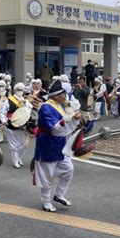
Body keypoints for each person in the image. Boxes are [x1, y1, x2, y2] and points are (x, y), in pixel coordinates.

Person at [32, 80, 82, 212]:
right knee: (47, 175)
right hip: (47, 144)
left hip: (60, 144)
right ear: (56, 96)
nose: (65, 97)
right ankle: (46, 202)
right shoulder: (46, 107)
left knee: (68, 169)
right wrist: (70, 118)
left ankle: (59, 195)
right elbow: (53, 128)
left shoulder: (59, 106)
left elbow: (64, 126)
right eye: (63, 94)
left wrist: (75, 118)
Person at [0, 82, 32, 169]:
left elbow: (31, 108)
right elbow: (2, 112)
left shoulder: (25, 100)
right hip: (12, 125)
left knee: (24, 144)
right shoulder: (9, 100)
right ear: (15, 90)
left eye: (22, 90)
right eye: (19, 90)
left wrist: (25, 102)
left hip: (24, 125)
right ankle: (15, 161)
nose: (20, 92)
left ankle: (18, 158)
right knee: (14, 145)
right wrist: (4, 121)